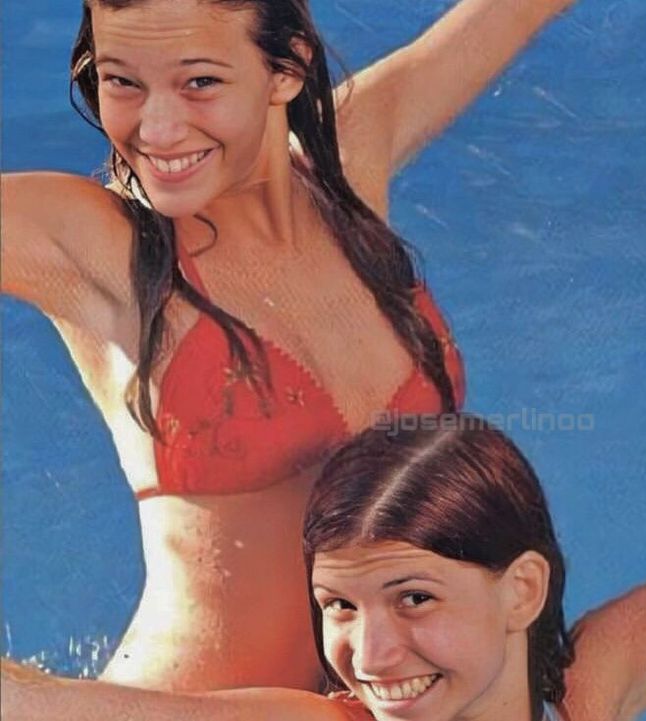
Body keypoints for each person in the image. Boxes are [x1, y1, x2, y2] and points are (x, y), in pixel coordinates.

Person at [0, 0, 575, 692]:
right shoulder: (100, 247)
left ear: (288, 68)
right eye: (123, 82)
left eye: (199, 83)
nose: (155, 127)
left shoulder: (347, 167)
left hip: (390, 696)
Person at [3, 415, 646, 721]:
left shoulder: (581, 693)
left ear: (523, 590)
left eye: (413, 597)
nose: (372, 657)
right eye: (339, 605)